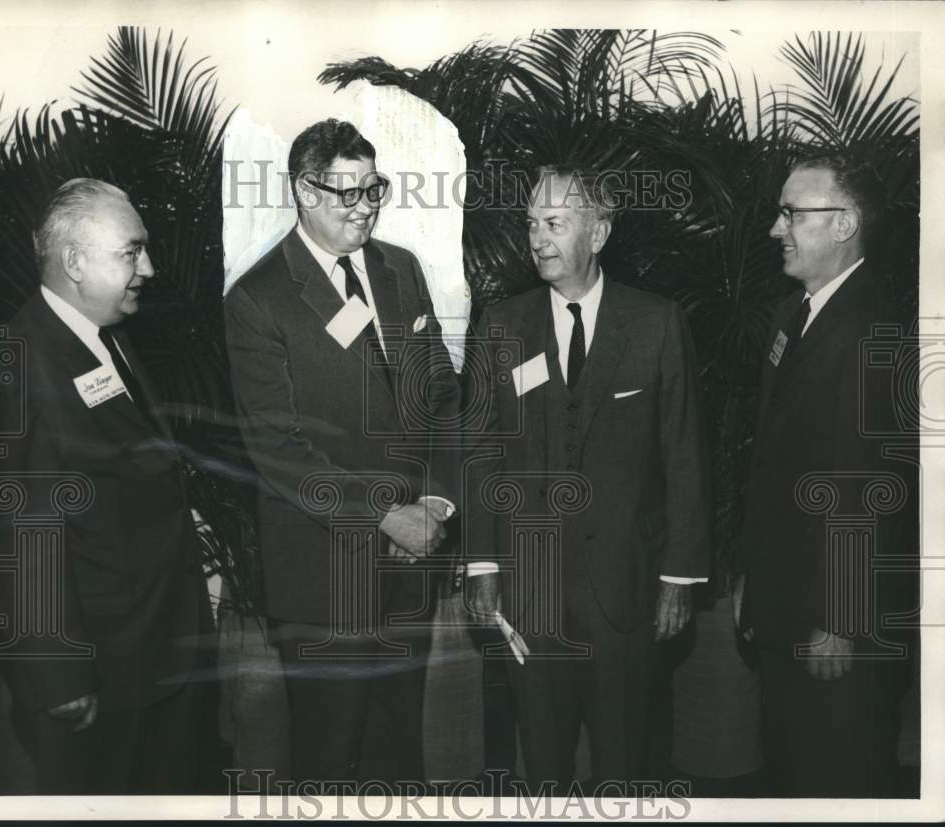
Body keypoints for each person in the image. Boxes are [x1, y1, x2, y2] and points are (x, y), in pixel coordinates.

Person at [224, 119, 460, 786]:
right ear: (305, 190)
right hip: (324, 579)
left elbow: (441, 395)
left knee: (398, 758)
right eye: (346, 193)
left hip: (411, 564)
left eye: (373, 189)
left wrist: (436, 503)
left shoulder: (400, 270)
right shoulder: (258, 299)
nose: (365, 207)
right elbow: (278, 448)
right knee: (327, 764)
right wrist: (389, 514)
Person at [464, 165, 711, 792]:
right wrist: (484, 566)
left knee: (624, 769)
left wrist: (679, 576)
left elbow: (684, 454)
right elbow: (481, 453)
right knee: (541, 769)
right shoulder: (500, 325)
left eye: (554, 223)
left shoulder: (656, 323)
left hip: (626, 593)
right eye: (530, 224)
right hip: (530, 597)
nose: (537, 239)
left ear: (597, 232)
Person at [0, 178, 215, 793]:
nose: (150, 269)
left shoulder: (109, 336)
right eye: (132, 252)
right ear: (75, 262)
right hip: (104, 673)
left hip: (160, 650)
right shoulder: (21, 363)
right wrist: (56, 673)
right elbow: (18, 532)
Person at [732, 152, 917, 796]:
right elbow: (775, 465)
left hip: (837, 624)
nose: (776, 229)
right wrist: (754, 580)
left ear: (845, 224)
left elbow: (869, 490)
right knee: (792, 771)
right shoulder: (795, 315)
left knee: (839, 778)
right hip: (786, 606)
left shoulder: (874, 329)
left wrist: (840, 618)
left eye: (792, 213)